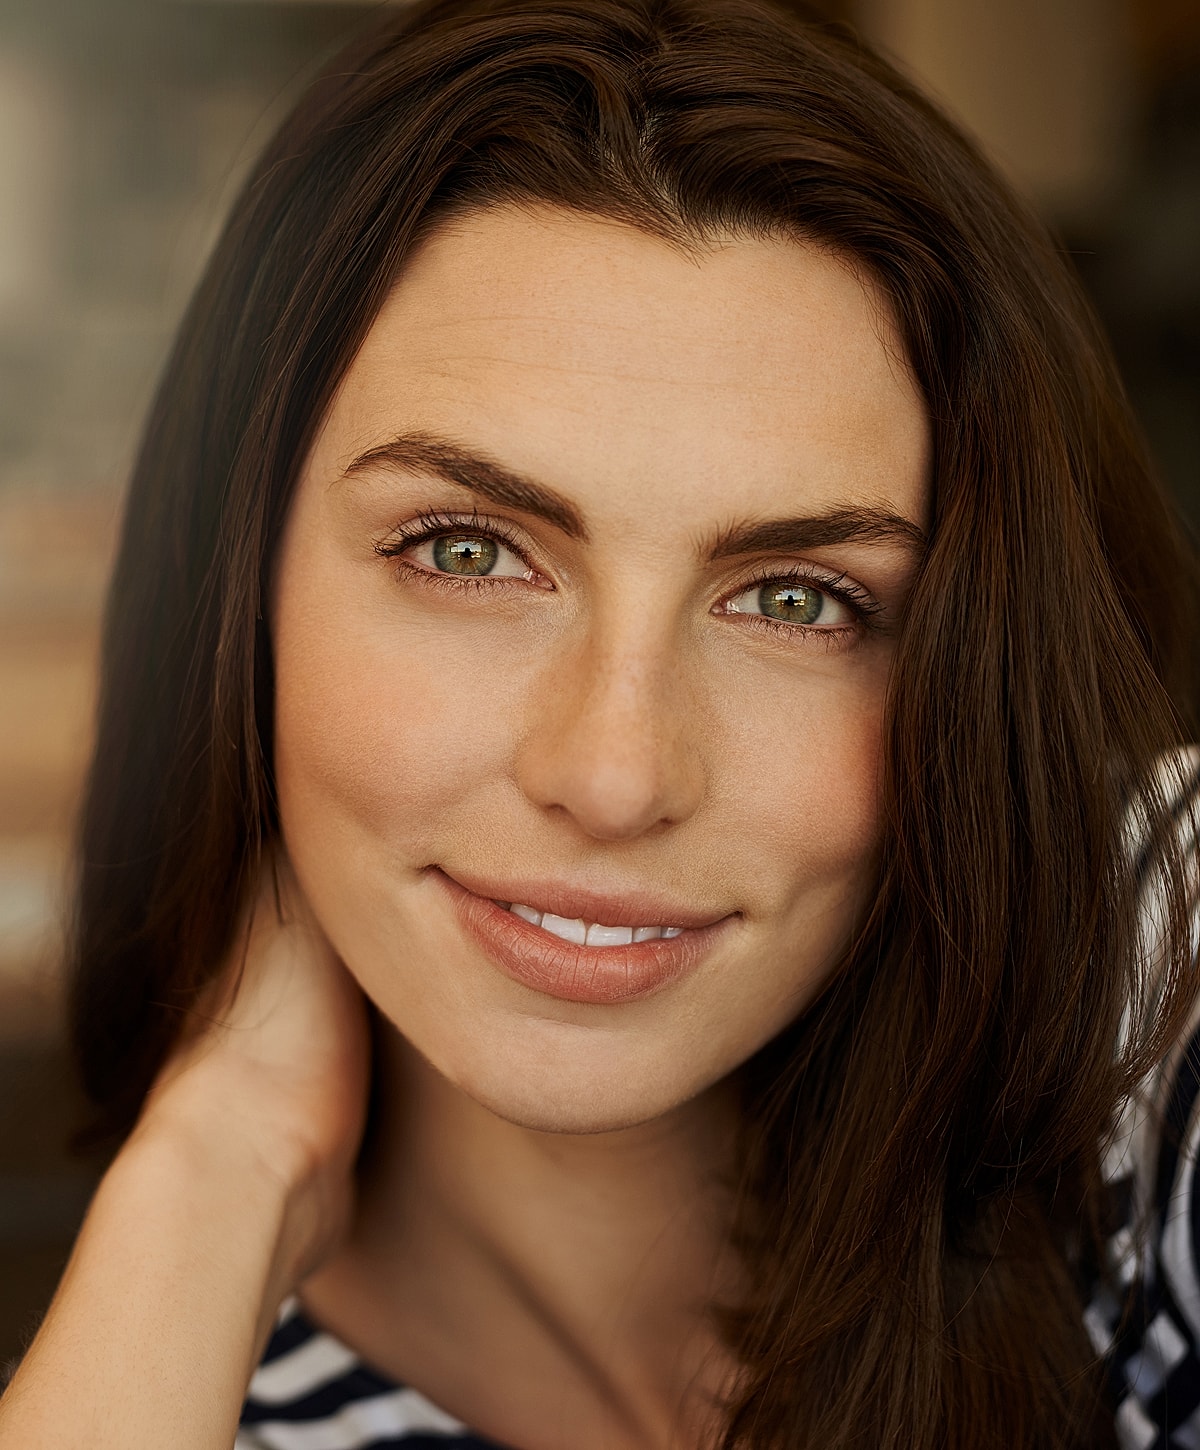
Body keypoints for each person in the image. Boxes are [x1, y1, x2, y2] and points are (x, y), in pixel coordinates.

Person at [1, 0, 1198, 1445]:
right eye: (465, 552)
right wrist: (211, 1171)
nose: (615, 772)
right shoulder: (168, 1386)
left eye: (799, 600)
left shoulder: (1155, 983)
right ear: (233, 588)